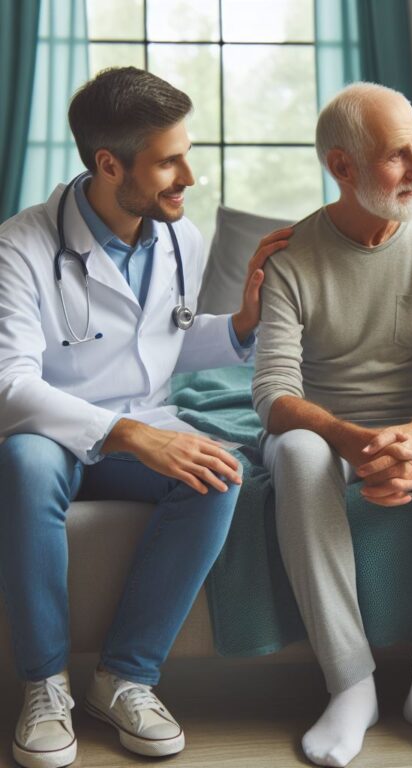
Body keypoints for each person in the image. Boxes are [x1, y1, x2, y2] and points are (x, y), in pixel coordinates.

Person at [0, 67, 284, 768]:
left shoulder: (177, 237)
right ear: (108, 164)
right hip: (55, 430)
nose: (188, 174)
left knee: (221, 471)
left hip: (143, 421)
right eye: (168, 161)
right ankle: (43, 685)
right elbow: (10, 384)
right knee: (24, 464)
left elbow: (165, 340)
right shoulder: (20, 245)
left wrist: (241, 324)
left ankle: (125, 678)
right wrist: (128, 434)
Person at [252, 82, 412, 767]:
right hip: (327, 432)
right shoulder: (291, 255)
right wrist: (354, 443)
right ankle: (350, 683)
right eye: (399, 156)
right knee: (298, 453)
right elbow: (272, 391)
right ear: (342, 167)